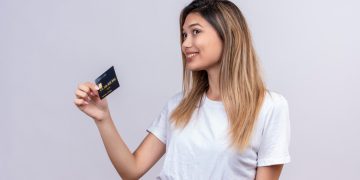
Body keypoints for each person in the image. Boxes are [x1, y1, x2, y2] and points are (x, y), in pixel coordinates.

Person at [74, 0, 291, 179]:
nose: (185, 43)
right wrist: (103, 117)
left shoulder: (269, 107)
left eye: (195, 32)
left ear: (228, 36)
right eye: (184, 35)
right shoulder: (179, 105)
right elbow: (131, 170)